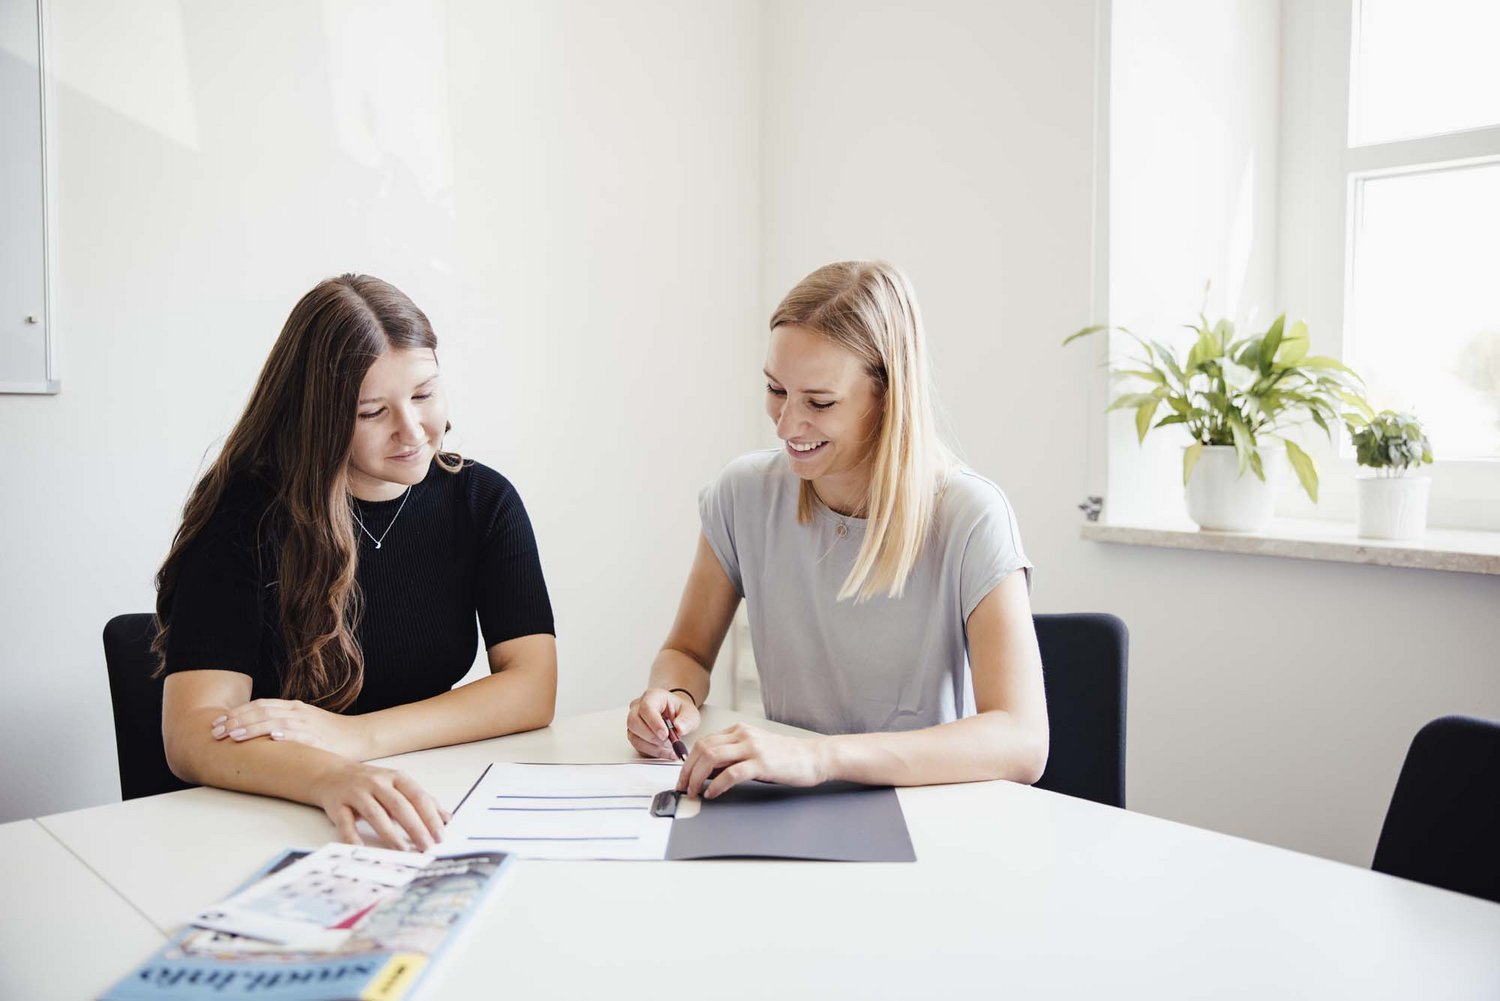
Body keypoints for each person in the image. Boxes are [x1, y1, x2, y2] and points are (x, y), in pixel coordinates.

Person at [154, 274, 557, 849]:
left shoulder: (481, 500)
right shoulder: (245, 518)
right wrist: (331, 775)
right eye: (372, 412)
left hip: (418, 795)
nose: (413, 431)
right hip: (267, 813)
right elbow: (192, 733)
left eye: (424, 395)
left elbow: (532, 686)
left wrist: (355, 739)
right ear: (316, 415)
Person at [626, 261, 1047, 798]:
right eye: (776, 389)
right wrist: (673, 695)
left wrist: (821, 756)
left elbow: (1022, 739)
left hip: (927, 809)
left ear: (886, 396)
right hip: (788, 801)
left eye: (819, 402)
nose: (785, 425)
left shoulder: (971, 516)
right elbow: (686, 651)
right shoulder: (744, 493)